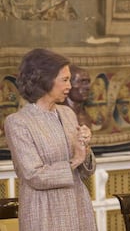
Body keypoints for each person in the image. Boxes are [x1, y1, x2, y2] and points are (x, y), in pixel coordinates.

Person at [4, 48, 97, 231]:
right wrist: (75, 160)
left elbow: (86, 171)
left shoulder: (68, 113)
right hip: (44, 212)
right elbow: (33, 175)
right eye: (64, 80)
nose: (69, 86)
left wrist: (85, 147)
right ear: (44, 81)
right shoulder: (18, 122)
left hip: (78, 207)